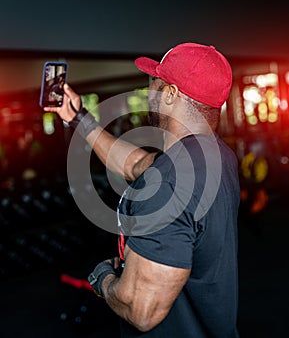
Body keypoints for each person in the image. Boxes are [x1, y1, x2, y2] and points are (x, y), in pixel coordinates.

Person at [44, 42, 240, 337]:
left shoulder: (170, 184)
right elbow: (135, 164)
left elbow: (141, 310)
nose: (148, 92)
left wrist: (104, 278)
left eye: (155, 84)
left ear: (171, 94)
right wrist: (79, 118)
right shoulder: (215, 156)